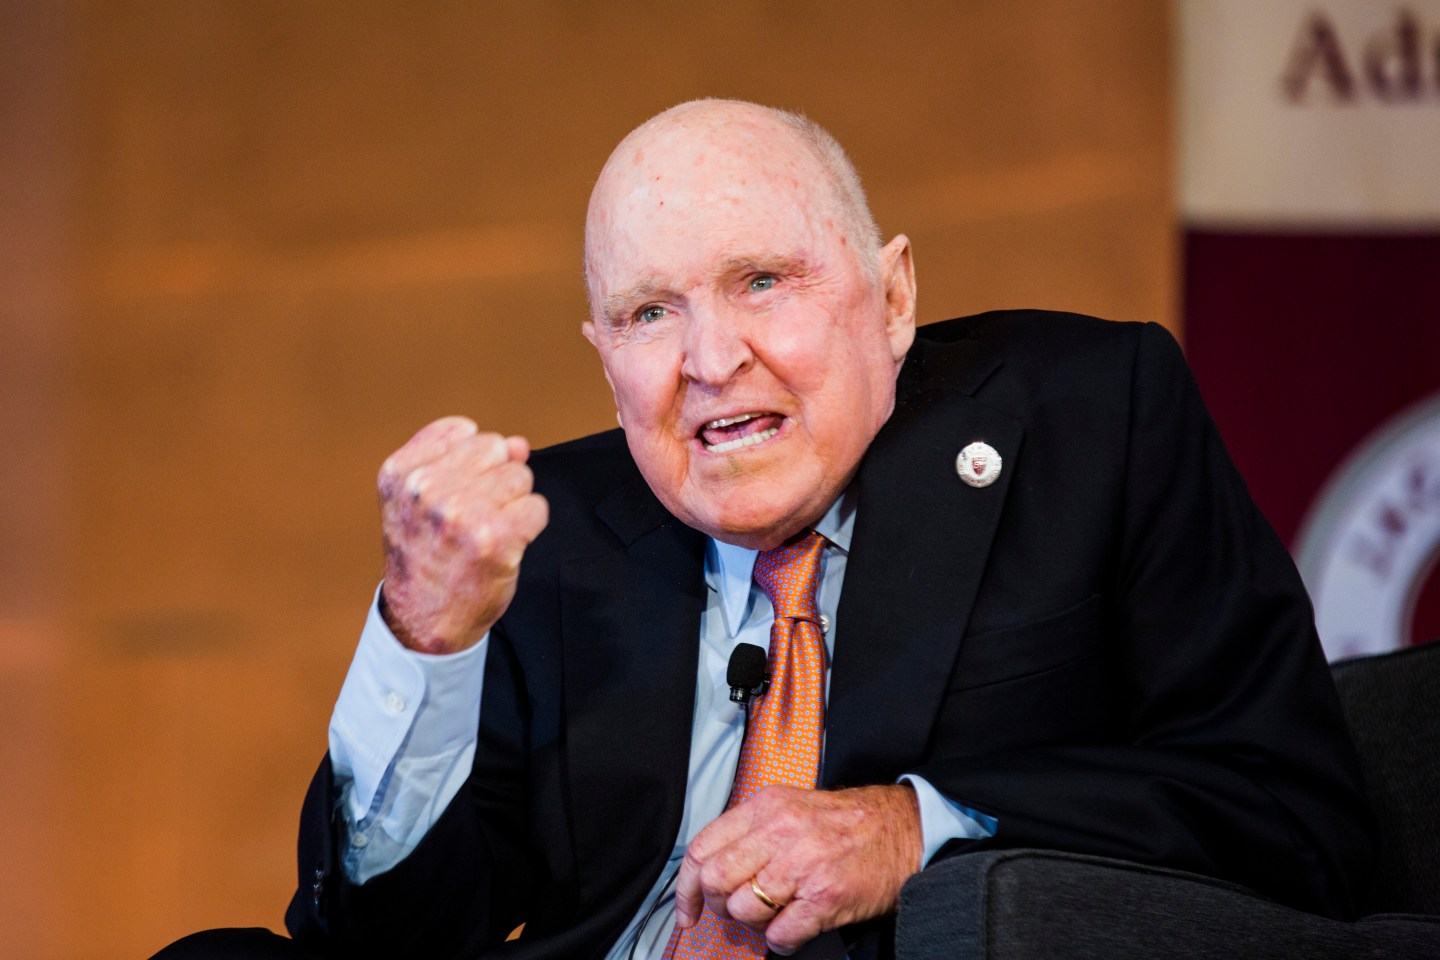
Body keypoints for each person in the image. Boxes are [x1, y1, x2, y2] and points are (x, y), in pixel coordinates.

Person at [155, 100, 1372, 960]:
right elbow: (384, 938)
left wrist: (913, 827)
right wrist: (425, 643)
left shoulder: (1092, 419)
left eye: (761, 283)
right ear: (603, 358)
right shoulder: (558, 534)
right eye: (647, 312)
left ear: (891, 296)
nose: (710, 361)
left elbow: (1296, 816)